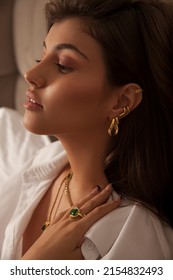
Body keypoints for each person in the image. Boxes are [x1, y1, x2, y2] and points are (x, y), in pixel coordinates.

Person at [0, 0, 173, 260]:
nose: (31, 73)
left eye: (63, 66)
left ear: (121, 101)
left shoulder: (133, 234)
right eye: (41, 56)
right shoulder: (47, 163)